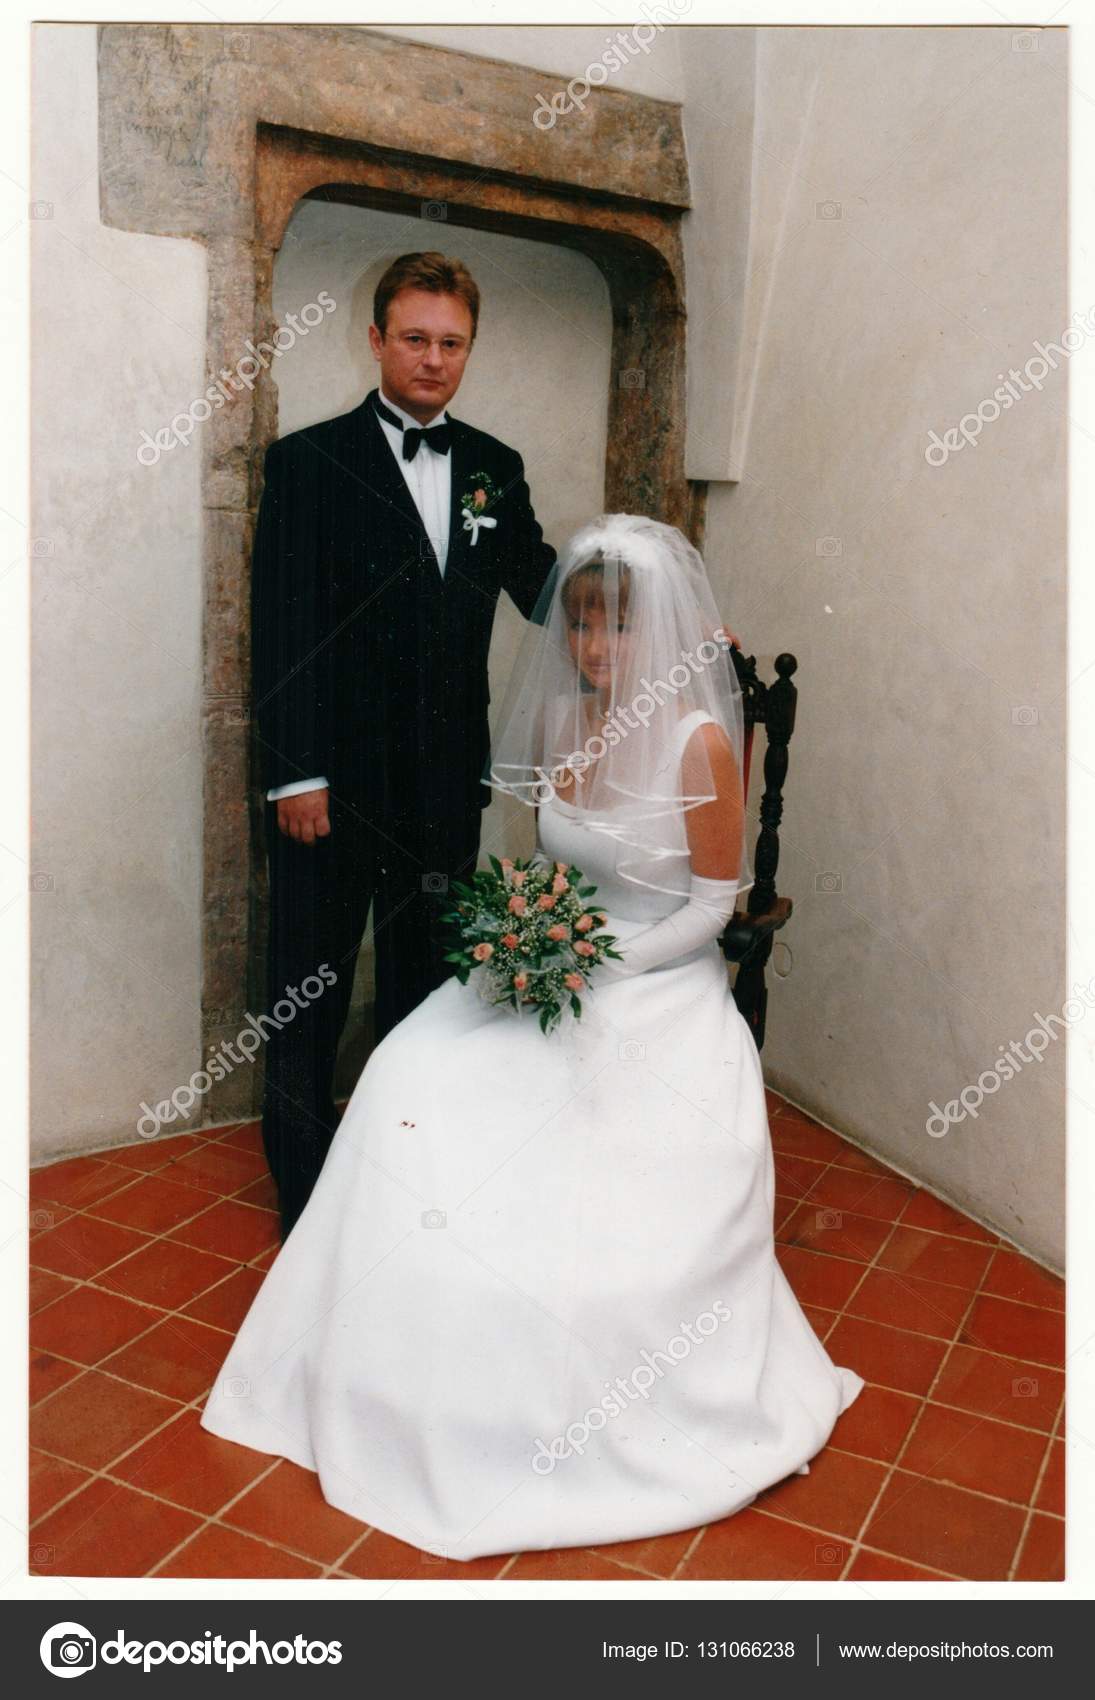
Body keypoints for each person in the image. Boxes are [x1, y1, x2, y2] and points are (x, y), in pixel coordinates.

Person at [201, 513, 864, 1563]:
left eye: (622, 628)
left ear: (669, 636)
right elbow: (554, 864)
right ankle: (393, 1367)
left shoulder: (701, 742)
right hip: (555, 961)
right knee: (409, 1066)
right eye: (585, 625)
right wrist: (530, 934)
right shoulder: (561, 723)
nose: (598, 649)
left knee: (560, 1170)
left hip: (652, 983)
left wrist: (598, 964)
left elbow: (712, 907)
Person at [251, 252, 556, 1240]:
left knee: (425, 991)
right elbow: (283, 627)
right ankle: (303, 1202)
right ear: (376, 338)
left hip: (440, 788)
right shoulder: (307, 461)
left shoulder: (494, 470)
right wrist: (295, 773)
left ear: (470, 348)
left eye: (451, 342)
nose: (433, 358)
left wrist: (658, 606)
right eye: (415, 337)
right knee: (312, 990)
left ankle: (397, 1174)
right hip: (329, 791)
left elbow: (542, 582)